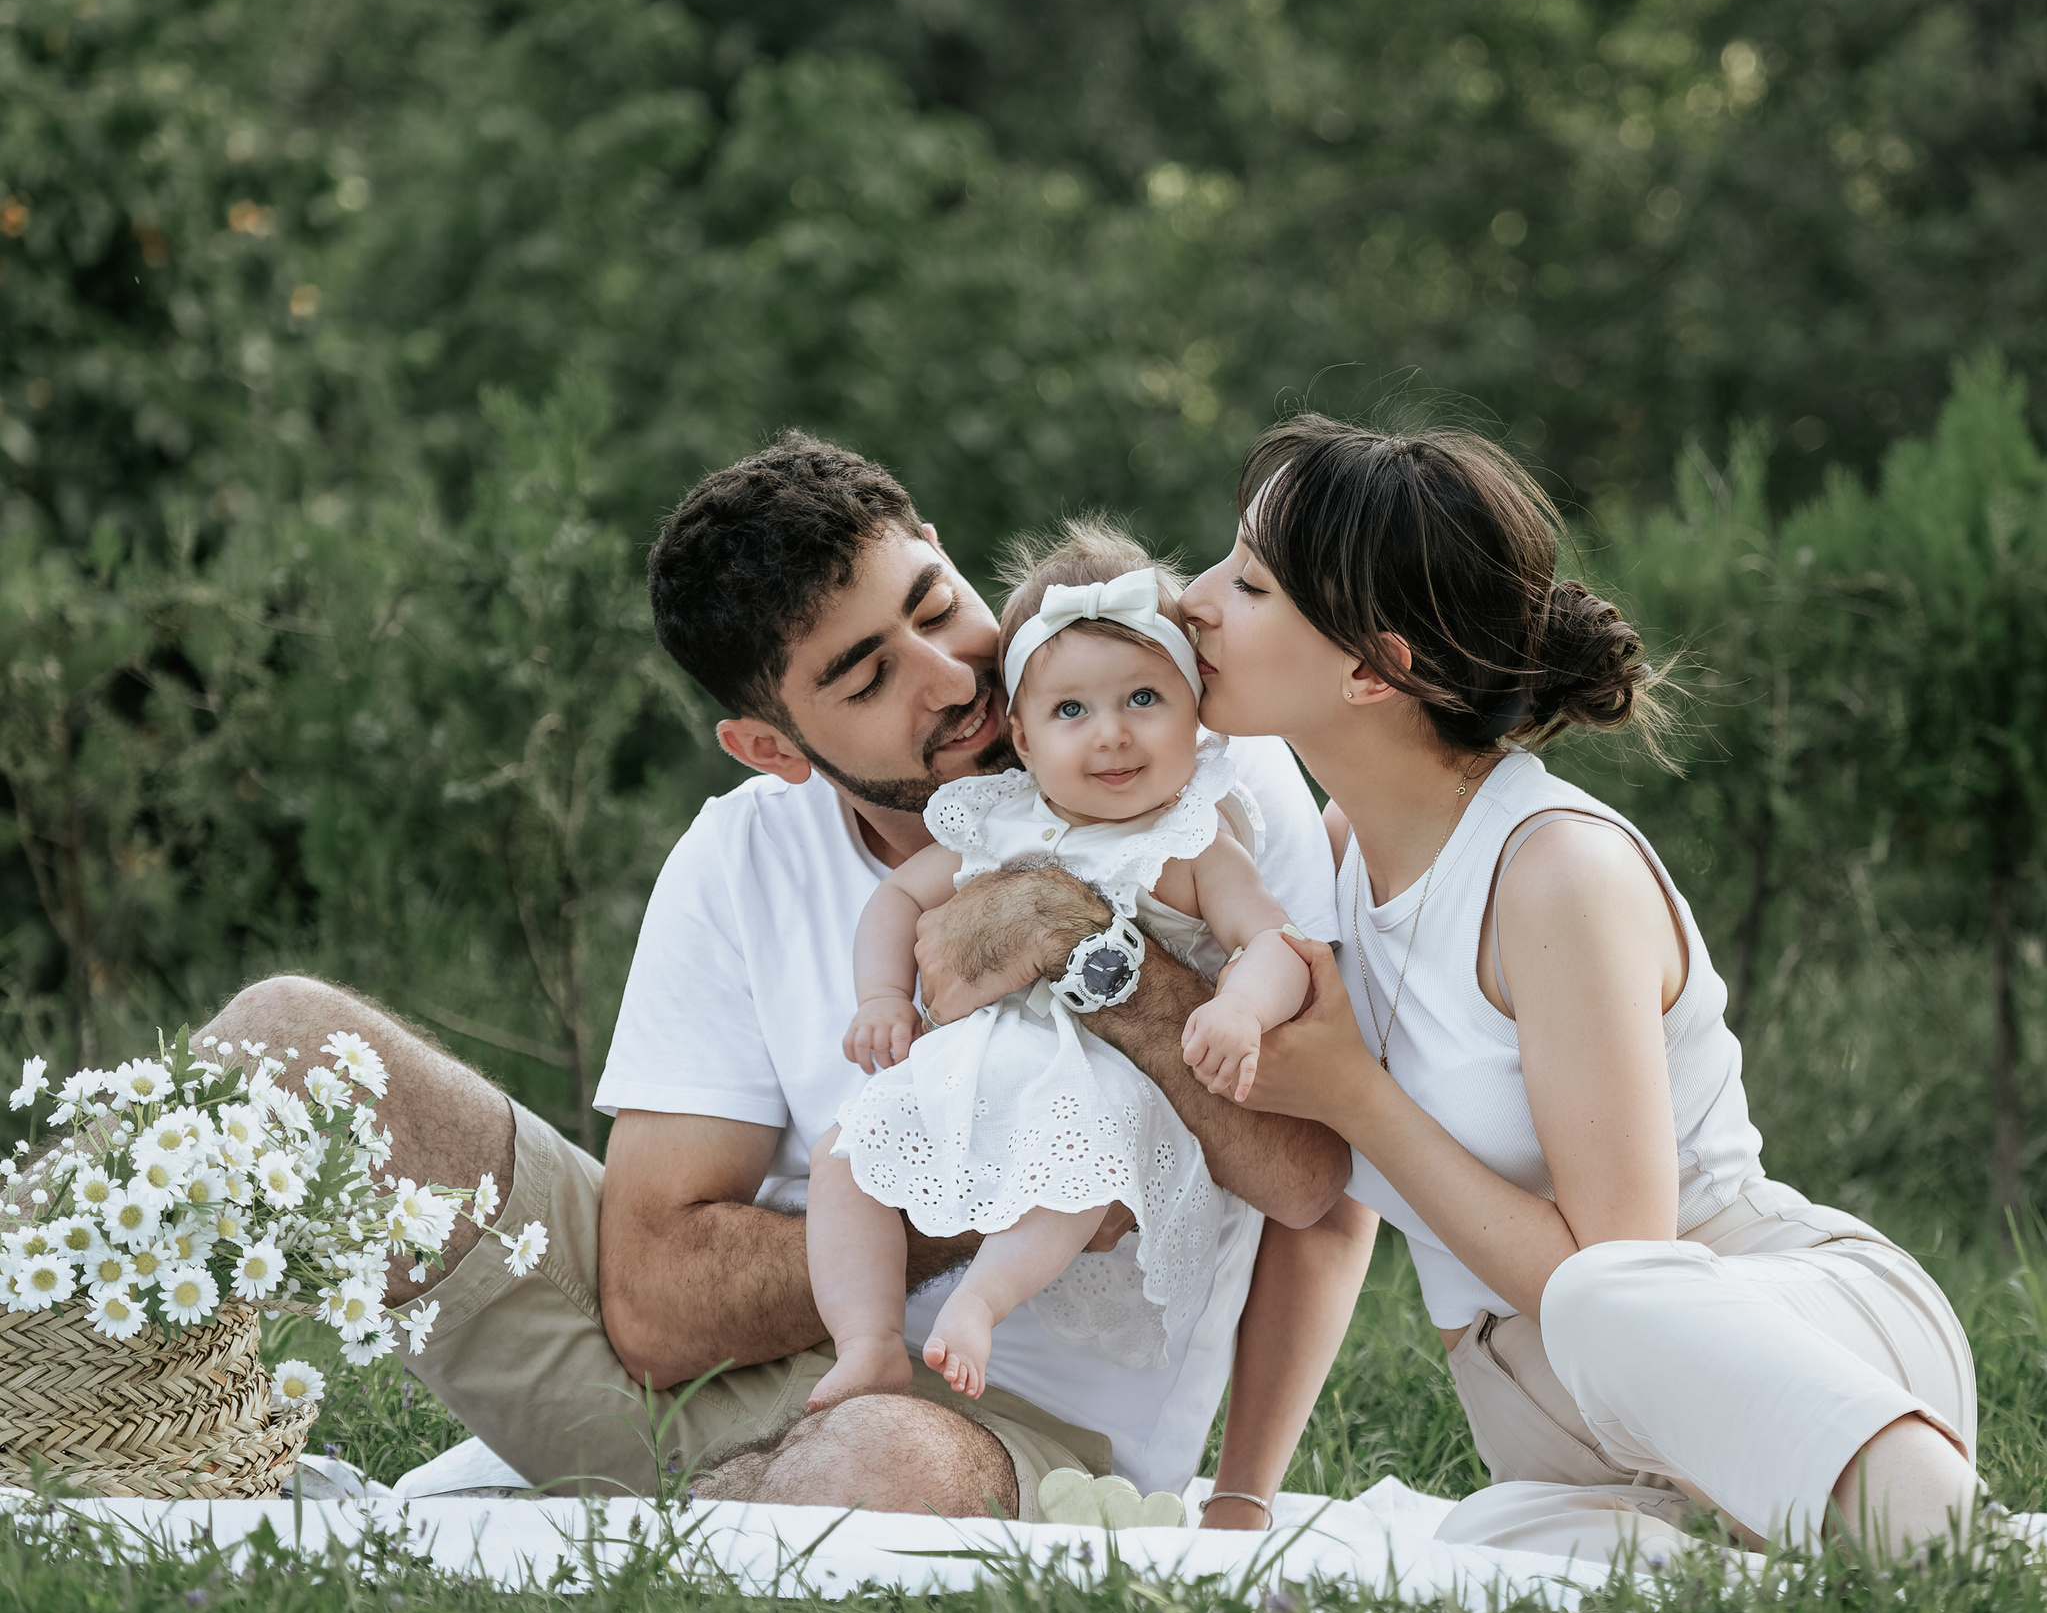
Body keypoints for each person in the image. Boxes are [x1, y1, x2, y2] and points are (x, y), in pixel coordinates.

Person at [194, 432, 1372, 1525]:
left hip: (996, 1429)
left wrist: (1081, 950)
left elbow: (1314, 1181)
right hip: (707, 1387)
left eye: (937, 607)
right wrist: (956, 1191)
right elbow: (653, 1305)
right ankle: (88, 1417)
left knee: (873, 1468)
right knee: (284, 1039)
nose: (953, 678)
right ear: (773, 746)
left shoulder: (1196, 770)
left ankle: (624, 1533)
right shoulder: (738, 854)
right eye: (865, 678)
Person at [1174, 414, 1981, 1560]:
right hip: (1557, 1425)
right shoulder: (1339, 853)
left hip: (1779, 1342)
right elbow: (1318, 1204)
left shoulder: (1552, 870)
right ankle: (1825, 1560)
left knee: (1608, 1302)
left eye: (1248, 584)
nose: (1192, 600)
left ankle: (1969, 1550)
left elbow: (1624, 1282)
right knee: (1458, 1555)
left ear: (1373, 667)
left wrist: (1357, 1099)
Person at [811, 527, 1311, 1407]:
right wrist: (882, 995)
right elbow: (896, 901)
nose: (1112, 736)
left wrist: (1241, 1009)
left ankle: (982, 1299)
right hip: (978, 1056)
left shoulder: (1192, 840)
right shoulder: (996, 817)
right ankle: (869, 1340)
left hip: (1106, 1073)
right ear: (1023, 738)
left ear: (1198, 712)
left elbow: (1273, 942)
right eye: (1071, 711)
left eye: (1145, 697)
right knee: (844, 1153)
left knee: (1078, 1169)